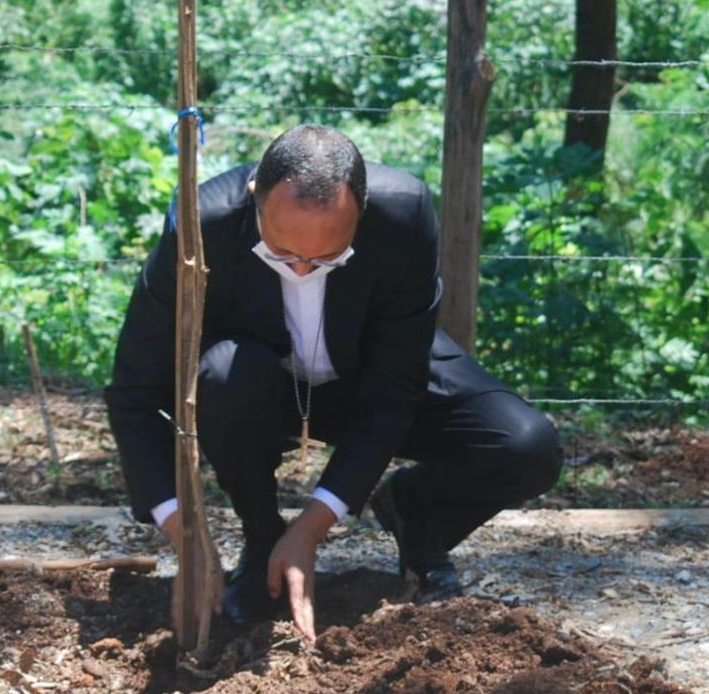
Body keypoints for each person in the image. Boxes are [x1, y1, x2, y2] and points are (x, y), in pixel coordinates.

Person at [105, 125, 562, 642]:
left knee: (527, 448)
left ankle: (416, 513)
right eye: (281, 254)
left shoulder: (404, 213)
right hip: (253, 386)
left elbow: (395, 388)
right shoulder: (199, 225)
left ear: (362, 210)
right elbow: (134, 393)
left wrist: (314, 527)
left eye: (326, 260)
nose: (302, 271)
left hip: (366, 373)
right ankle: (261, 540)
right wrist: (186, 541)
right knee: (225, 375)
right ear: (255, 198)